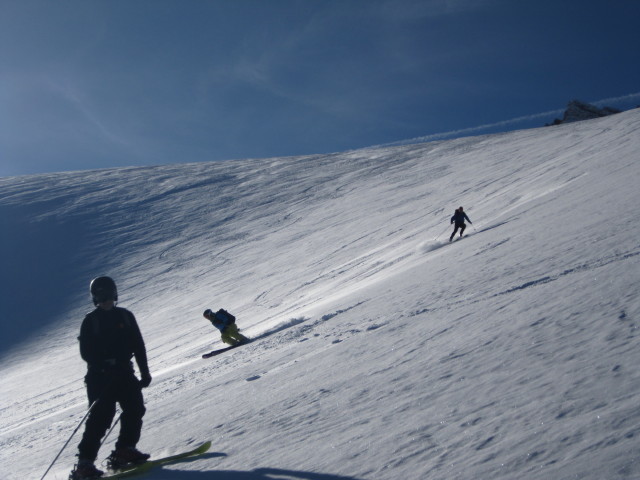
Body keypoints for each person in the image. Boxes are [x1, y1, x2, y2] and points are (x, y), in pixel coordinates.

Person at [70, 276, 152, 480]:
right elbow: (86, 352)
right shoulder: (91, 320)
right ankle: (84, 463)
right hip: (100, 378)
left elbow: (138, 345)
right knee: (101, 417)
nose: (106, 300)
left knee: (135, 408)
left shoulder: (125, 316)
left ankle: (125, 449)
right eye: (101, 296)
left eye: (109, 295)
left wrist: (144, 371)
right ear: (95, 299)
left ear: (115, 294)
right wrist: (104, 367)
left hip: (125, 373)